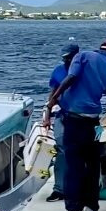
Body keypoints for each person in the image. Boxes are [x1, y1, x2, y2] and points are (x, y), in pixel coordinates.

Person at [43, 40, 106, 211]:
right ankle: (91, 207)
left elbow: (71, 78)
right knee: (92, 165)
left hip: (74, 119)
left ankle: (74, 210)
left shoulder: (82, 56)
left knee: (73, 164)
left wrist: (53, 99)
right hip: (93, 122)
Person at [46, 42, 80, 202]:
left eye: (69, 58)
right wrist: (47, 116)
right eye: (64, 58)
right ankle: (59, 189)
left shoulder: (84, 71)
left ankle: (80, 186)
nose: (66, 61)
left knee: (81, 151)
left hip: (81, 116)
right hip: (62, 114)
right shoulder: (58, 72)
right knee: (61, 148)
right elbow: (52, 94)